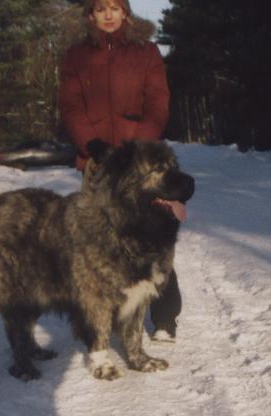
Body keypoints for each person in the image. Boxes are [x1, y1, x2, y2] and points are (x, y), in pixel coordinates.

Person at [58, 0, 182, 342]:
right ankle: (98, 322)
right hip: (97, 161)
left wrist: (138, 149)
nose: (109, 15)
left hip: (141, 164)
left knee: (154, 239)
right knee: (95, 246)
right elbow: (70, 105)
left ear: (126, 12)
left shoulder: (147, 52)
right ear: (90, 15)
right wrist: (90, 143)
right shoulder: (76, 56)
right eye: (101, 9)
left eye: (115, 7)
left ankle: (165, 317)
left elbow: (158, 103)